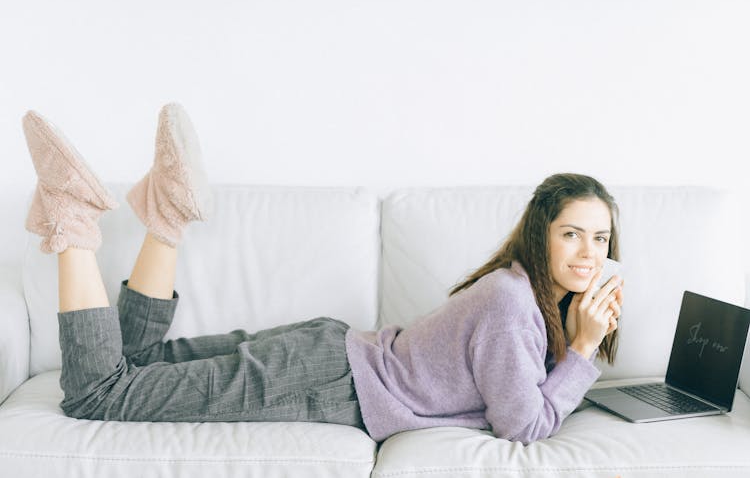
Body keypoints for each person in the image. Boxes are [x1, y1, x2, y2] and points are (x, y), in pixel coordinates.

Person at [22, 104, 623, 445]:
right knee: (102, 394)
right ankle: (71, 223)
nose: (588, 252)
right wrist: (584, 350)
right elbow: (521, 426)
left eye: (600, 238)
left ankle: (167, 215)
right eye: (571, 233)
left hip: (326, 356)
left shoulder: (519, 293)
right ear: (541, 231)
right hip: (324, 382)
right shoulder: (511, 305)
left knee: (137, 364)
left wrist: (572, 337)